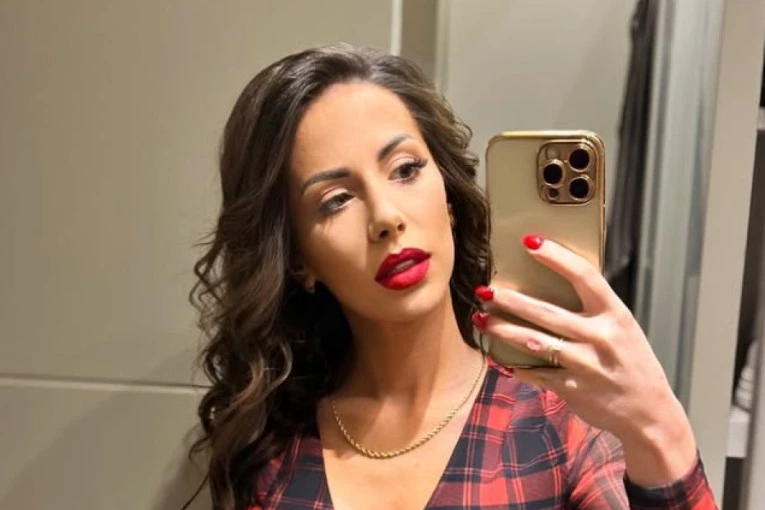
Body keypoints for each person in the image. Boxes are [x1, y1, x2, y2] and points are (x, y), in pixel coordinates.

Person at [187, 43, 717, 510]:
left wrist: (659, 429)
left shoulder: (558, 427)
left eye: (405, 170)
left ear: (449, 200)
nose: (386, 217)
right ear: (298, 260)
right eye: (336, 199)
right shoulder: (274, 449)